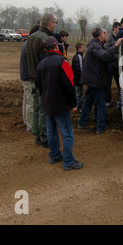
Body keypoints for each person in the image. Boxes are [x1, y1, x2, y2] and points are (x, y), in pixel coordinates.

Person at [35, 36, 83, 171]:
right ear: (56, 47)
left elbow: (38, 85)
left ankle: (54, 155)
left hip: (47, 104)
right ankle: (68, 161)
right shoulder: (62, 62)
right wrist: (73, 104)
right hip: (61, 104)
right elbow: (69, 84)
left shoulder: (40, 64)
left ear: (45, 49)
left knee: (51, 132)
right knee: (67, 134)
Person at [77, 27, 123, 135]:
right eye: (105, 33)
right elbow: (105, 55)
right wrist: (116, 45)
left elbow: (105, 57)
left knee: (88, 101)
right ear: (101, 34)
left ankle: (82, 122)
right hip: (95, 80)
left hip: (92, 80)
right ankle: (100, 128)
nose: (107, 35)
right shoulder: (95, 46)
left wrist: (119, 56)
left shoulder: (94, 46)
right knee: (101, 103)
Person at [26, 14, 57, 147]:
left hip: (32, 77)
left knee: (37, 108)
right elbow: (48, 61)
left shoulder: (31, 37)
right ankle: (44, 138)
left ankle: (37, 134)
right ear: (50, 24)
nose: (56, 25)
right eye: (55, 23)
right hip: (43, 79)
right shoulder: (46, 39)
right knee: (44, 109)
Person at [104, 22, 121, 108]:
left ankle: (121, 100)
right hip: (110, 65)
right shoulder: (109, 38)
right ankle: (107, 101)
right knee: (108, 84)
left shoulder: (120, 36)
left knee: (120, 83)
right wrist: (118, 56)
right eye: (119, 28)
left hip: (118, 66)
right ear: (114, 28)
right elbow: (107, 51)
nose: (120, 30)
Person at [20, 37, 33, 133]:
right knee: (30, 102)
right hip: (28, 77)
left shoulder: (26, 44)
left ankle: (26, 121)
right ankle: (31, 126)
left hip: (24, 76)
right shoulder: (29, 46)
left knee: (26, 100)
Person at [71, 42, 86, 112]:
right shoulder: (78, 57)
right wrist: (82, 78)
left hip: (77, 79)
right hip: (78, 79)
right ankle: (77, 107)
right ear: (79, 49)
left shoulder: (78, 56)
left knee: (79, 93)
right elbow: (79, 69)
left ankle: (78, 106)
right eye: (83, 48)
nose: (84, 49)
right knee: (78, 94)